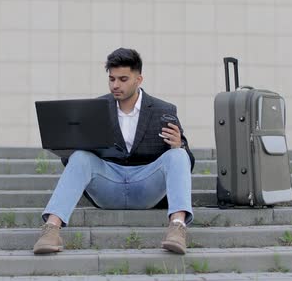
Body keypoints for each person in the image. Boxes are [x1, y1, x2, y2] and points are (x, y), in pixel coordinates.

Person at [33, 48, 195, 255]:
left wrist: (178, 145)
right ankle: (51, 230)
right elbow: (73, 161)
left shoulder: (163, 110)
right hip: (108, 185)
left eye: (123, 79)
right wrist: (73, 145)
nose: (115, 85)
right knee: (81, 157)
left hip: (146, 186)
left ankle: (178, 227)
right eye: (112, 79)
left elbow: (188, 162)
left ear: (139, 79)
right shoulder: (96, 108)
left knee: (178, 155)